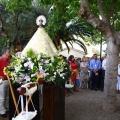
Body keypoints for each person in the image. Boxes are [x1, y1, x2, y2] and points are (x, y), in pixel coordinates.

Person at [0, 47, 11, 118]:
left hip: (8, 80)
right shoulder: (0, 60)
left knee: (7, 96)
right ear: (4, 53)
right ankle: (2, 111)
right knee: (2, 97)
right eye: (9, 52)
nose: (10, 54)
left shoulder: (8, 60)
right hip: (2, 81)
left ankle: (7, 108)